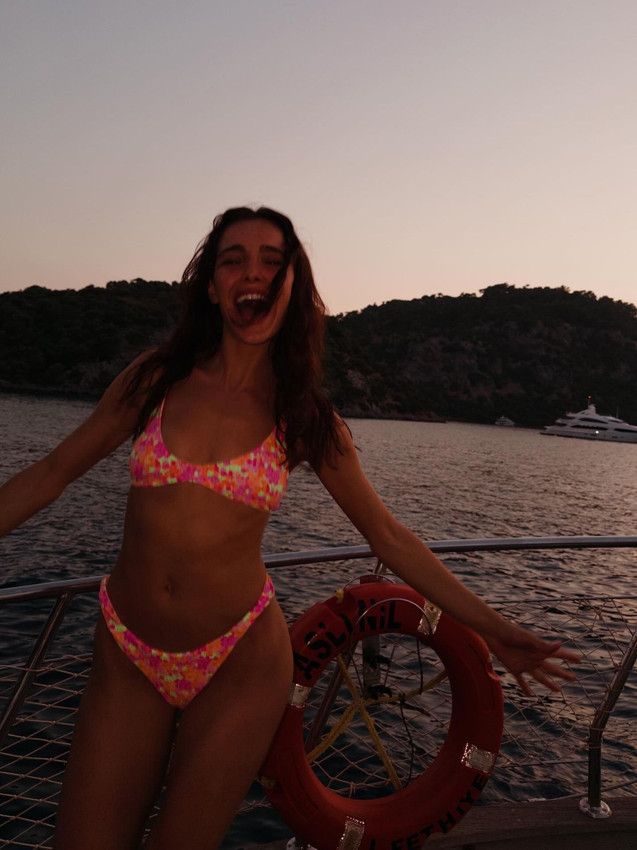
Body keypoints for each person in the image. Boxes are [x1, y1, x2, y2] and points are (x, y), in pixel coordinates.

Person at [0, 207, 578, 850]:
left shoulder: (303, 416)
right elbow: (50, 473)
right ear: (212, 286)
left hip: (239, 663)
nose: (254, 273)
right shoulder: (153, 381)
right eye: (234, 259)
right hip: (128, 649)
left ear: (294, 287)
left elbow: (387, 536)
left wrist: (498, 632)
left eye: (272, 262)